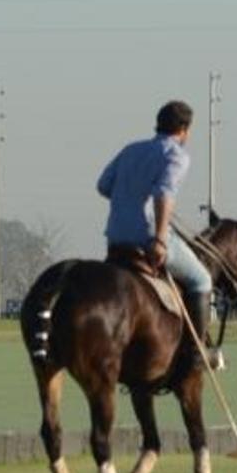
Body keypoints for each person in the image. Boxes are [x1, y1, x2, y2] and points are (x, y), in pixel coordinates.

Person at [96, 100, 222, 367]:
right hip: (147, 238)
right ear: (184, 129)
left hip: (116, 239)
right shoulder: (177, 155)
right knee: (201, 279)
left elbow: (103, 186)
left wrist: (128, 199)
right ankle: (196, 352)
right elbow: (164, 194)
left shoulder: (131, 149)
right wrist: (160, 239)